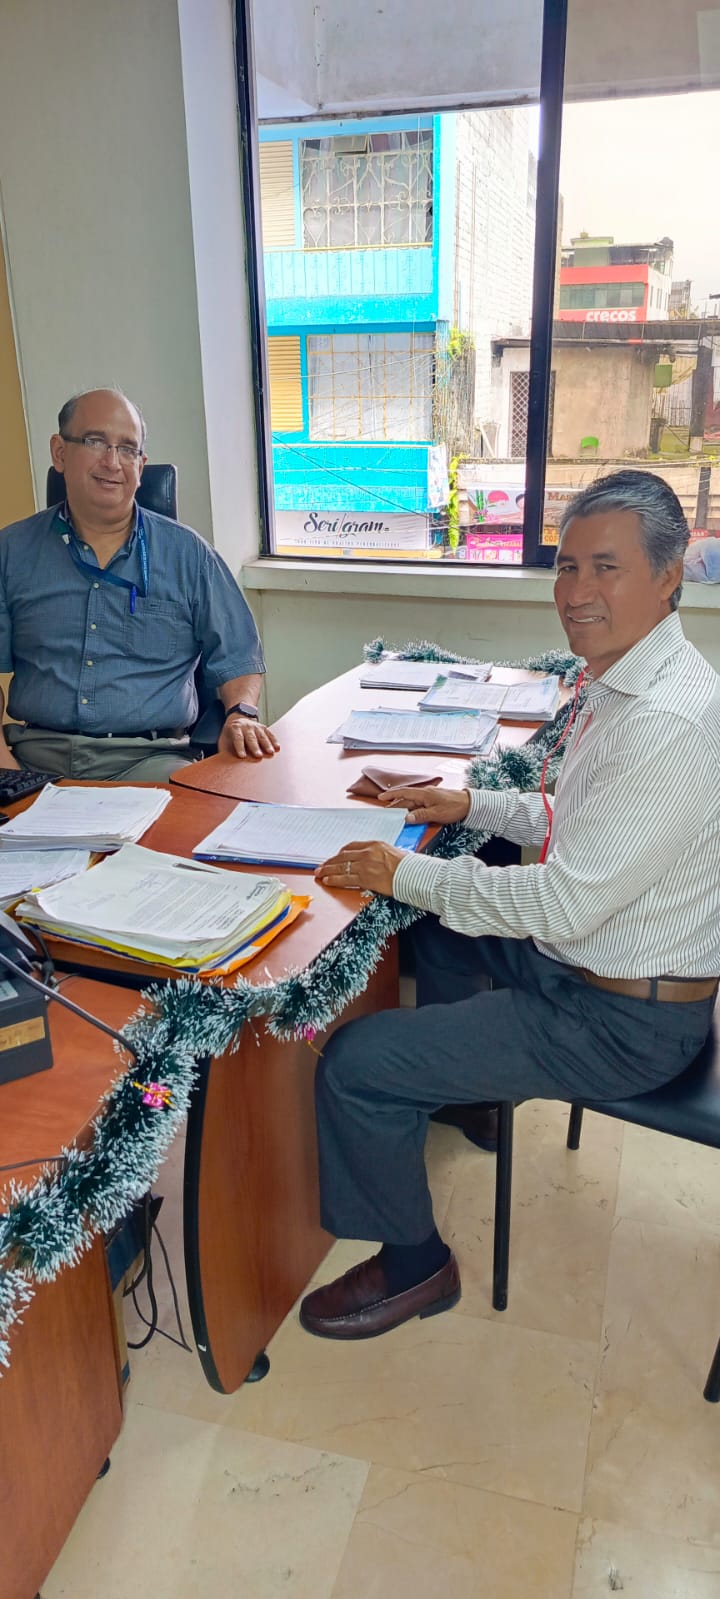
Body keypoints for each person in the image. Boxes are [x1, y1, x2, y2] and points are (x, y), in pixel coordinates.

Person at [302, 468, 720, 1341]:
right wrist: (468, 804)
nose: (576, 592)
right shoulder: (632, 679)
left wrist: (401, 872)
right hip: (601, 965)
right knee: (442, 937)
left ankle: (417, 1266)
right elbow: (576, 819)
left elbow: (563, 902)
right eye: (567, 566)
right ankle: (470, 1096)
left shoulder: (666, 720)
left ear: (668, 575)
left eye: (606, 567)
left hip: (623, 1021)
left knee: (355, 1062)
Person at [0, 388, 279, 782]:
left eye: (128, 449)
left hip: (150, 761)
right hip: (32, 758)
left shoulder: (189, 555)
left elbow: (239, 657)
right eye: (95, 441)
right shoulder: (11, 551)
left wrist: (241, 715)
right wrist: (7, 771)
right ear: (59, 453)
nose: (112, 462)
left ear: (141, 465)